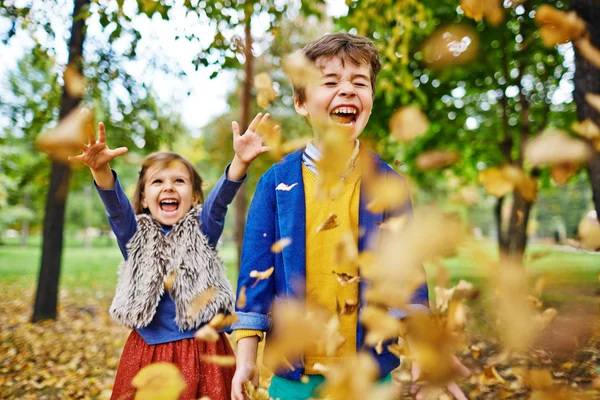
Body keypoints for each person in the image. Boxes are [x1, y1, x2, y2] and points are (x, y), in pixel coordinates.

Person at [231, 33, 469, 400]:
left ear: (370, 101)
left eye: (360, 83)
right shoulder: (274, 183)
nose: (347, 90)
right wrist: (246, 356)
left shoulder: (389, 182)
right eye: (330, 82)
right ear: (301, 102)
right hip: (296, 374)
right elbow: (254, 275)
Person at [70, 113, 276, 400]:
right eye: (157, 182)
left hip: (203, 351)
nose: (168, 187)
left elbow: (218, 204)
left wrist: (240, 162)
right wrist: (100, 170)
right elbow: (116, 211)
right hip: (149, 351)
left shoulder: (203, 228)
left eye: (179, 181)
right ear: (143, 198)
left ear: (193, 197)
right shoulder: (134, 236)